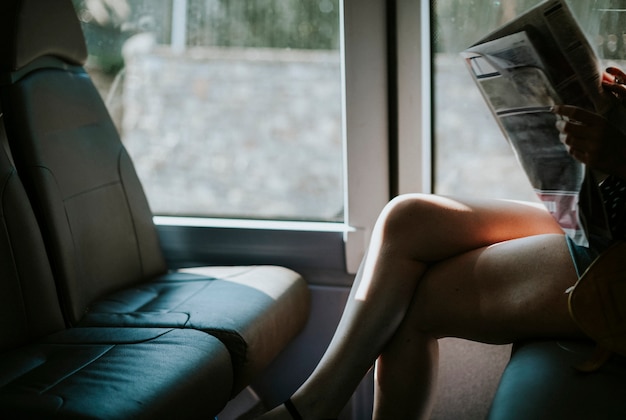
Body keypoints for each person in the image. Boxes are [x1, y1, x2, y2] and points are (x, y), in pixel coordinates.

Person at [258, 66, 626, 420]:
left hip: (616, 256)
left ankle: (310, 410)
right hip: (610, 216)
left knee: (414, 301)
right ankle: (313, 403)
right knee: (408, 217)